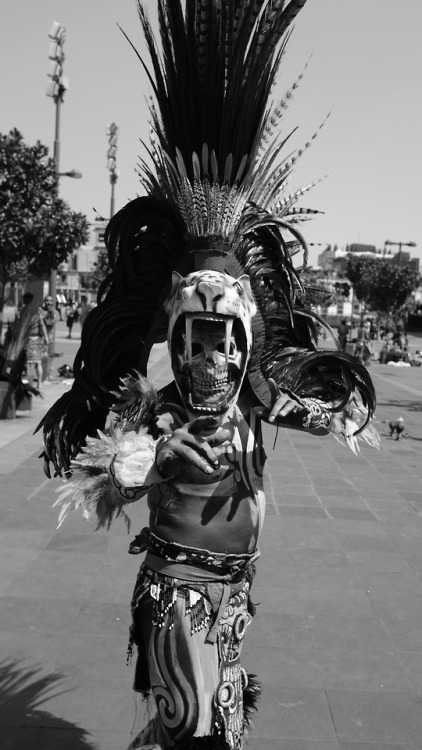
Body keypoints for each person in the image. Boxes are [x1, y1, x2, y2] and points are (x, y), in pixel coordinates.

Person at [38, 3, 379, 749]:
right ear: (176, 333)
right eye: (198, 338)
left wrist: (334, 412)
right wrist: (137, 464)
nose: (213, 359)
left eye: (227, 339)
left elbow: (307, 408)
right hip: (176, 591)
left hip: (235, 590)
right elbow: (105, 478)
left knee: (211, 723)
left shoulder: (256, 394)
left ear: (248, 335)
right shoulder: (155, 405)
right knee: (195, 725)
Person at [22, 293, 48, 387]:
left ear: (25, 300)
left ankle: (30, 383)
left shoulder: (23, 311)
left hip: (28, 339)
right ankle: (39, 383)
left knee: (28, 364)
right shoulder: (36, 311)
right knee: (38, 362)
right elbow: (42, 325)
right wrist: (46, 337)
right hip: (37, 339)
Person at [41, 296, 59, 381]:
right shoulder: (40, 311)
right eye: (47, 300)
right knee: (42, 357)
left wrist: (50, 313)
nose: (49, 302)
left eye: (51, 301)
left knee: (50, 357)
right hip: (41, 338)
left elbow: (50, 323)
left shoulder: (55, 313)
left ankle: (50, 374)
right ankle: (43, 375)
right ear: (44, 301)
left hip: (50, 339)